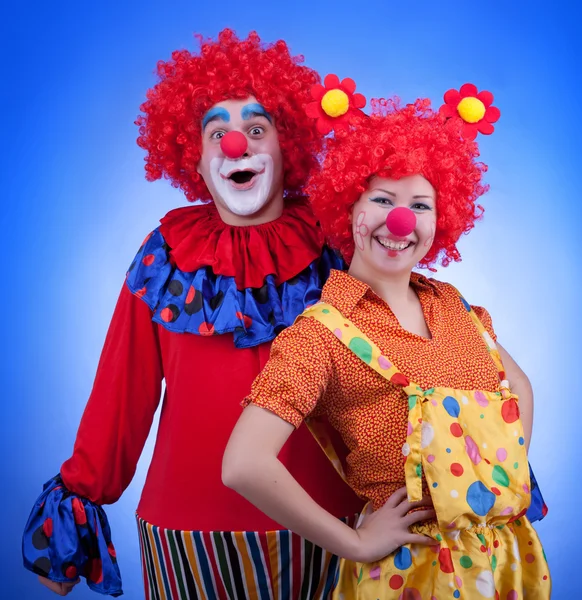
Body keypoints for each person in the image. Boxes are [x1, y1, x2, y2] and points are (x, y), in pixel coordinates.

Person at [22, 32, 362, 599]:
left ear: (289, 148)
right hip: (187, 533)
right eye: (217, 132)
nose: (236, 144)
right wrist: (79, 503)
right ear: (195, 158)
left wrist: (461, 458)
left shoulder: (339, 246)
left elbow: (403, 360)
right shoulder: (167, 253)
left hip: (332, 526)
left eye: (258, 129)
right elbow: (120, 391)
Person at [223, 81, 551, 599]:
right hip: (411, 575)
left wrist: (495, 489)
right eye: (382, 199)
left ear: (441, 220)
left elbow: (520, 389)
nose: (401, 220)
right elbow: (243, 464)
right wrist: (353, 542)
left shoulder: (456, 306)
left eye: (420, 205)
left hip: (504, 562)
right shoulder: (319, 335)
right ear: (348, 209)